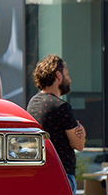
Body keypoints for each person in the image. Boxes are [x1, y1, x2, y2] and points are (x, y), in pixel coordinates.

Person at [28, 55, 85, 185]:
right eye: (67, 74)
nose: (69, 79)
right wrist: (82, 133)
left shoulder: (33, 103)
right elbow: (79, 145)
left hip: (40, 173)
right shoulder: (61, 106)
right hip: (62, 175)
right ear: (58, 75)